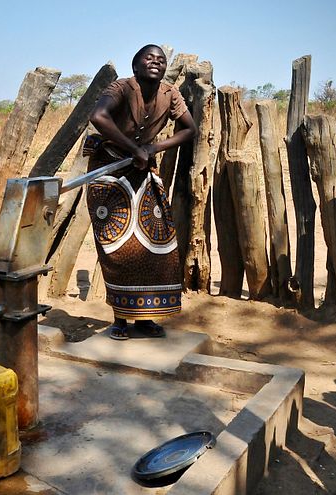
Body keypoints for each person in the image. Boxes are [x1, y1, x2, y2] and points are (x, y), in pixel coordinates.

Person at [86, 44, 196, 340]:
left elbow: (189, 129)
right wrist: (134, 148)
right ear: (135, 66)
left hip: (143, 173)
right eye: (149, 58)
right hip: (109, 173)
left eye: (161, 60)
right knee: (117, 247)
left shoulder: (170, 93)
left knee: (154, 244)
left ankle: (145, 318)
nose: (156, 62)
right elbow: (99, 117)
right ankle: (120, 318)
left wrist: (153, 147)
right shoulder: (120, 88)